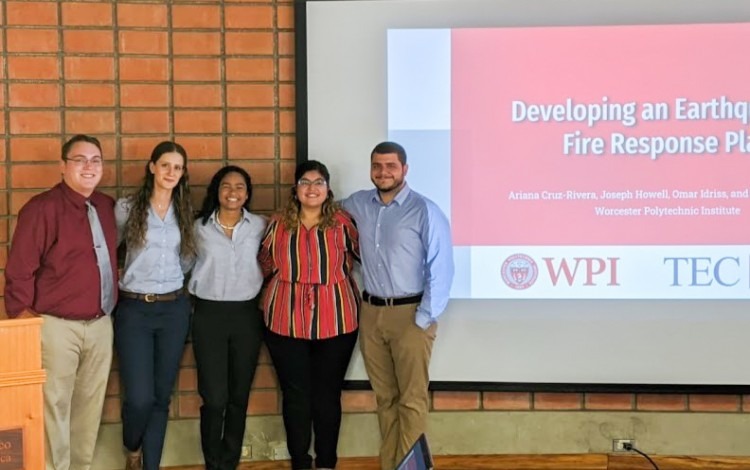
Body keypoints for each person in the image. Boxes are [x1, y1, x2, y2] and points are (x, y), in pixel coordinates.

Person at [4, 134, 118, 470]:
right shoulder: (42, 209)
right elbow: (20, 270)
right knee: (52, 406)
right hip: (55, 327)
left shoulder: (106, 207)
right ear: (62, 166)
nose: (88, 166)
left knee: (89, 406)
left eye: (95, 160)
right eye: (80, 159)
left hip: (100, 325)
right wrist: (26, 323)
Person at [342, 141, 454, 470]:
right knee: (386, 399)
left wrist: (423, 318)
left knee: (411, 401)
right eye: (377, 166)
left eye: (391, 166)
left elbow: (442, 267)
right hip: (371, 313)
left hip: (411, 314)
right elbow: (320, 208)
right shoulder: (357, 203)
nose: (383, 172)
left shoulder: (424, 210)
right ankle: (390, 464)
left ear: (405, 169)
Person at [258, 160, 360, 470]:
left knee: (327, 395)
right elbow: (264, 262)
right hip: (284, 321)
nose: (312, 188)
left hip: (337, 319)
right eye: (305, 182)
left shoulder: (344, 223)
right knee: (295, 396)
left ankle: (327, 462)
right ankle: (300, 462)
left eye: (318, 182)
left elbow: (358, 259)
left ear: (328, 189)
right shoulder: (278, 223)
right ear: (295, 188)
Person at [114, 141, 196, 470]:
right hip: (134, 311)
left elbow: (187, 258)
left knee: (161, 397)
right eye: (165, 165)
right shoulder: (127, 208)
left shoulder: (185, 211)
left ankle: (152, 466)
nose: (171, 173)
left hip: (173, 311)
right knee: (139, 398)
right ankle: (132, 448)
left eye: (177, 167)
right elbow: (107, 250)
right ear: (152, 167)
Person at [188, 166, 266, 470]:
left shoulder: (260, 226)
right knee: (214, 397)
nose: (233, 192)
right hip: (209, 315)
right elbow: (184, 265)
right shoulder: (198, 228)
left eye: (240, 187)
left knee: (238, 395)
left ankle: (229, 462)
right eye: (226, 186)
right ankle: (213, 461)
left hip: (246, 315)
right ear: (216, 191)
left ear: (247, 193)